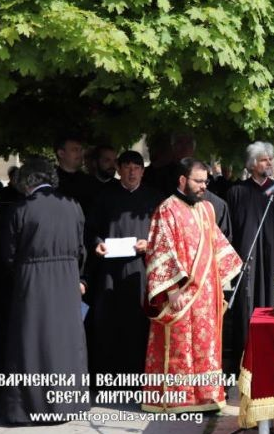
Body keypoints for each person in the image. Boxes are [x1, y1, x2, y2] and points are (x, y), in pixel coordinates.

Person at [142, 158, 242, 412]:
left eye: (205, 181)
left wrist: (225, 283)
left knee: (205, 346)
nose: (203, 186)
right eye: (198, 181)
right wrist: (172, 290)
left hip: (207, 293)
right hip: (182, 294)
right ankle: (180, 398)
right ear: (182, 180)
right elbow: (159, 250)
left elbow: (218, 245)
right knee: (181, 345)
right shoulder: (167, 209)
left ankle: (206, 396)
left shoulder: (207, 209)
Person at [0, 157, 89, 423]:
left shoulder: (21, 209)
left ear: (28, 181)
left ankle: (27, 407)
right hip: (67, 279)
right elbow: (81, 249)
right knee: (65, 343)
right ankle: (67, 405)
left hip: (32, 282)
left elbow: (8, 254)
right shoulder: (73, 206)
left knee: (30, 341)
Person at [84, 150, 162, 381]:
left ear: (143, 171)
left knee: (138, 323)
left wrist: (149, 244)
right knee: (108, 322)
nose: (131, 172)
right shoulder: (103, 196)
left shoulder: (154, 198)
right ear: (118, 169)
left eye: (136, 168)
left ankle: (139, 377)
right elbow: (89, 229)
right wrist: (96, 243)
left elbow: (165, 234)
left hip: (140, 270)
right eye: (127, 167)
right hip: (109, 273)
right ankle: (107, 379)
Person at [226, 142, 274, 376]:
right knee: (246, 308)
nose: (268, 163)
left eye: (270, 159)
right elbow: (231, 230)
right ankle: (245, 363)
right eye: (264, 159)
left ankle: (271, 361)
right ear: (253, 163)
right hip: (247, 262)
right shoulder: (237, 192)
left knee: (273, 306)